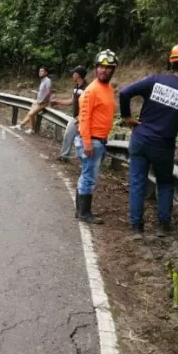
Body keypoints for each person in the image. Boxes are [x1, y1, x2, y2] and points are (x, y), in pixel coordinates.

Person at [119, 41, 178, 239]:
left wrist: (127, 118)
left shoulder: (154, 80)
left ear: (171, 63)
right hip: (163, 146)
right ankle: (163, 227)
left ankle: (137, 228)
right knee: (165, 183)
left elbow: (124, 93)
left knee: (137, 182)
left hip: (140, 139)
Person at [74, 51, 119, 224]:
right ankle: (84, 213)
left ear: (113, 70)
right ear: (95, 68)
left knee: (86, 175)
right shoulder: (91, 91)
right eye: (101, 67)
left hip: (98, 139)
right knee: (89, 177)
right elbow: (84, 118)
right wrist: (87, 143)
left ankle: (80, 211)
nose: (104, 71)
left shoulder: (107, 89)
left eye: (108, 68)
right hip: (91, 140)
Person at [51, 66, 88, 161]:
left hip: (83, 118)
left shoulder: (87, 89)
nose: (72, 75)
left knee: (81, 141)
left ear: (78, 75)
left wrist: (82, 117)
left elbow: (88, 105)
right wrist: (58, 101)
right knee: (68, 134)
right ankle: (64, 156)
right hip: (75, 117)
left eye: (74, 73)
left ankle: (83, 160)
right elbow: (71, 101)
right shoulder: (76, 87)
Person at [11, 67, 52, 133]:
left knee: (31, 114)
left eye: (42, 71)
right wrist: (37, 100)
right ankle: (20, 126)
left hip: (43, 103)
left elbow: (48, 92)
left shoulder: (47, 80)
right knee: (29, 114)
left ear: (46, 73)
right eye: (39, 71)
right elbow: (42, 92)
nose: (40, 73)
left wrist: (43, 101)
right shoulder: (43, 81)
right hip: (38, 101)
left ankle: (32, 129)